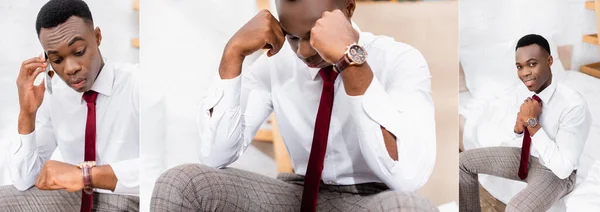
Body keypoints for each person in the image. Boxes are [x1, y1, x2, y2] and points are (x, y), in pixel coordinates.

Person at [151, 0, 437, 211]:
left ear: (348, 9)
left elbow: (407, 177)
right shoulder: (275, 66)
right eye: (292, 37)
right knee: (180, 182)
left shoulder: (401, 60)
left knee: (410, 207)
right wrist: (232, 54)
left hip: (372, 199)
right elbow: (215, 156)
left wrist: (350, 61)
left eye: (314, 35)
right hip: (296, 195)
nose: (304, 52)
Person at [0, 0, 140, 211]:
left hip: (132, 197)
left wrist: (87, 176)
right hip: (79, 200)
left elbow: (162, 167)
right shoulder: (55, 94)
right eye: (57, 59)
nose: (70, 68)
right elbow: (24, 181)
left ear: (97, 37)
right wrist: (26, 114)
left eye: (79, 52)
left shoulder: (137, 83)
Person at [459, 34, 592, 211]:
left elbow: (563, 168)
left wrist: (532, 123)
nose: (524, 73)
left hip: (554, 171)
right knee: (463, 162)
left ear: (550, 61)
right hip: (525, 157)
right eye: (519, 67)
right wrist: (517, 129)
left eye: (532, 64)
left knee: (516, 208)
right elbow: (513, 134)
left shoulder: (573, 105)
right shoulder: (521, 92)